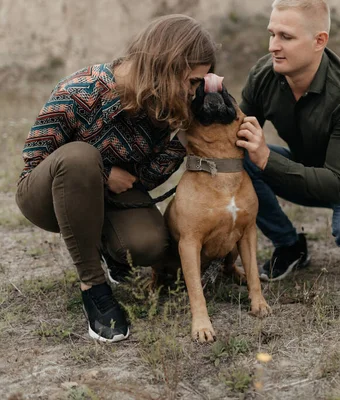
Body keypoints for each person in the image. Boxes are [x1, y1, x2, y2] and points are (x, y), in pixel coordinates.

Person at [15, 15, 218, 343]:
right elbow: (35, 160)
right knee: (81, 158)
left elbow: (143, 179)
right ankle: (93, 287)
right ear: (167, 65)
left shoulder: (163, 105)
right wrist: (104, 174)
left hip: (106, 198)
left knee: (150, 244)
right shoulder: (82, 89)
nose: (193, 90)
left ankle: (108, 249)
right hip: (46, 194)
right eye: (192, 80)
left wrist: (186, 136)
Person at [236, 0, 340, 281]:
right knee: (241, 156)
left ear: (319, 40)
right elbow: (234, 134)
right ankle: (289, 245)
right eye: (272, 34)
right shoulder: (264, 74)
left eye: (286, 37)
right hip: (304, 165)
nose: (273, 45)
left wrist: (267, 160)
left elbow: (336, 184)